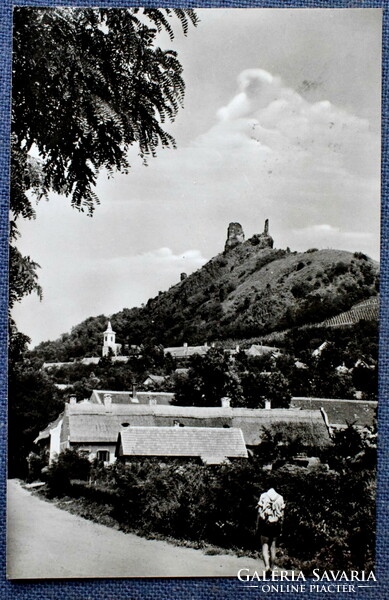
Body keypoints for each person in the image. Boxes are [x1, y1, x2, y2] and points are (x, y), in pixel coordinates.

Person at [256, 487, 285, 575]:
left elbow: (259, 512)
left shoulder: (263, 496)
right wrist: (281, 527)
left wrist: (257, 525)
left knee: (264, 546)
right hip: (275, 524)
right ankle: (272, 568)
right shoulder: (280, 497)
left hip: (265, 524)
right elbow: (282, 515)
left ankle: (267, 566)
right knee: (273, 547)